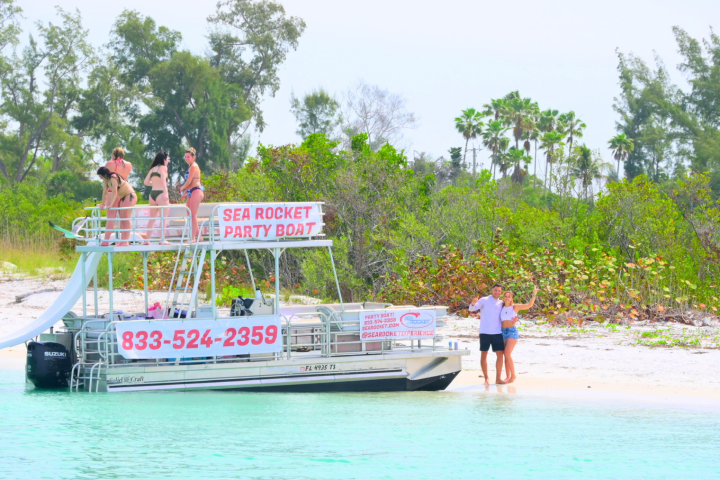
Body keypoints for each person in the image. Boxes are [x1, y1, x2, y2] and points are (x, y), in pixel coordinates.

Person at [470, 283, 515, 386]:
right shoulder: (484, 300)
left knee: (500, 355)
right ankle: (486, 379)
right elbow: (472, 309)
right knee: (484, 355)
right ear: (491, 290)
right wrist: (473, 303)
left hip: (497, 332)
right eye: (495, 290)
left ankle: (498, 378)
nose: (497, 292)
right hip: (484, 332)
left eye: (499, 291)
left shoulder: (501, 303)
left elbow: (509, 312)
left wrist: (515, 319)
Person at [500, 286, 538, 384]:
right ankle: (507, 376)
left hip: (512, 331)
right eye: (505, 296)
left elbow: (529, 305)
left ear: (511, 298)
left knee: (507, 353)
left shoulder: (515, 307)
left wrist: (534, 293)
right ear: (503, 298)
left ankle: (513, 375)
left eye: (509, 296)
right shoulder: (500, 307)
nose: (507, 298)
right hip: (502, 331)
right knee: (505, 355)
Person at [97, 166, 137, 246]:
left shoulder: (113, 177)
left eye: (101, 176)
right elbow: (105, 192)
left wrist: (110, 205)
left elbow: (115, 191)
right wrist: (103, 203)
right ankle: (123, 241)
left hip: (129, 195)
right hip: (123, 197)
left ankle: (125, 241)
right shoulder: (107, 180)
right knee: (122, 218)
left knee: (125, 218)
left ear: (104, 174)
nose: (101, 178)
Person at [102, 148, 133, 246]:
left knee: (111, 217)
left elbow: (106, 181)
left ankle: (106, 241)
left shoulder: (109, 164)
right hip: (125, 191)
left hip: (113, 191)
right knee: (124, 218)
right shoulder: (129, 165)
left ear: (113, 155)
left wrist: (104, 200)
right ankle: (125, 241)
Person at [143, 151, 171, 245]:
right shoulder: (163, 168)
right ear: (164, 159)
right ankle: (162, 239)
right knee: (163, 218)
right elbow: (163, 181)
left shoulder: (153, 169)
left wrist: (154, 183)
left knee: (152, 218)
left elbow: (146, 182)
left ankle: (147, 240)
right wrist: (166, 193)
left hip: (152, 194)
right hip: (161, 194)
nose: (169, 160)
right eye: (168, 158)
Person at [179, 147, 204, 242]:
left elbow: (189, 181)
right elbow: (190, 183)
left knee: (193, 215)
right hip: (190, 191)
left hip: (196, 191)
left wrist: (182, 188)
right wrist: (185, 193)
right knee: (189, 214)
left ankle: (193, 238)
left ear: (193, 157)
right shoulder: (190, 166)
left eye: (188, 157)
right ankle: (199, 237)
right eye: (185, 157)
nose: (186, 158)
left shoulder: (194, 166)